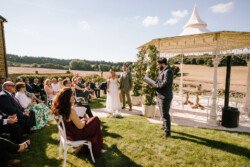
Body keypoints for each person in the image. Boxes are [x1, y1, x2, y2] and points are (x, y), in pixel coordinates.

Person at [51, 88, 104, 157]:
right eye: (72, 95)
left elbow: (69, 122)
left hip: (67, 134)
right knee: (95, 120)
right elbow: (80, 126)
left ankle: (90, 145)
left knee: (92, 122)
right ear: (67, 97)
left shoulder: (58, 108)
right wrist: (84, 120)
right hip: (76, 135)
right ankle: (97, 148)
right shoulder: (70, 111)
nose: (73, 97)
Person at [153, 57, 174, 139]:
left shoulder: (168, 71)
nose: (158, 66)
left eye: (158, 64)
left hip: (165, 96)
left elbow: (164, 83)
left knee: (165, 114)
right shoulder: (162, 71)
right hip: (159, 95)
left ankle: (168, 133)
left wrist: (155, 86)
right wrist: (152, 83)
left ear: (162, 64)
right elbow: (158, 81)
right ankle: (164, 126)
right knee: (162, 113)